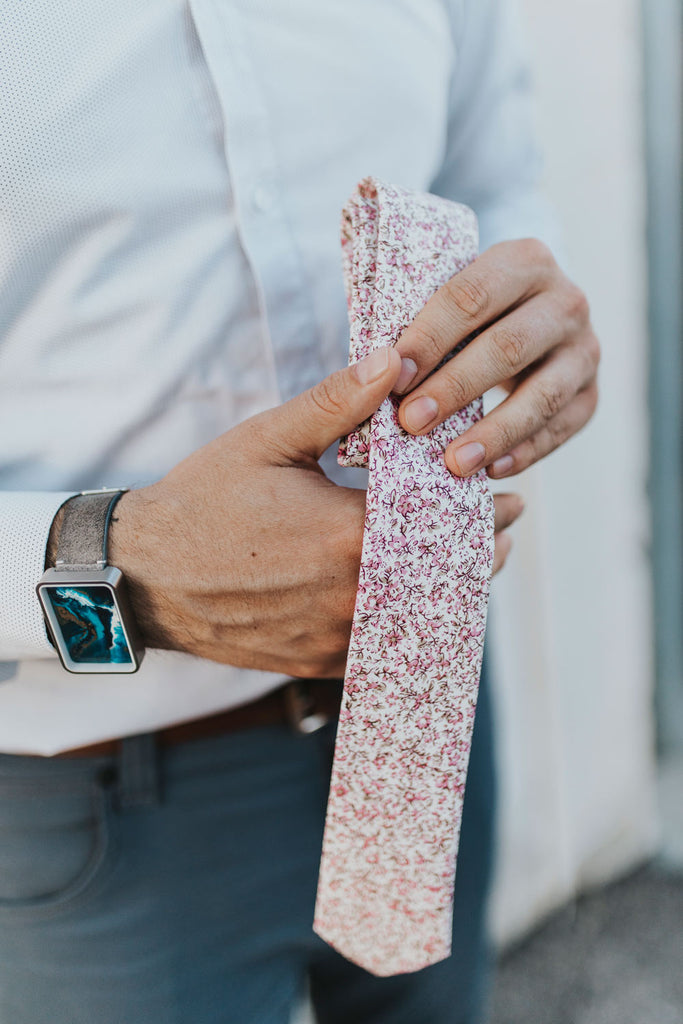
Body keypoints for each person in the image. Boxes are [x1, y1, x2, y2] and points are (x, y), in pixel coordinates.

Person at [0, 0, 600, 1020]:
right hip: (91, 811)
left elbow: (484, 172)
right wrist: (120, 572)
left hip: (427, 707)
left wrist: (524, 334)